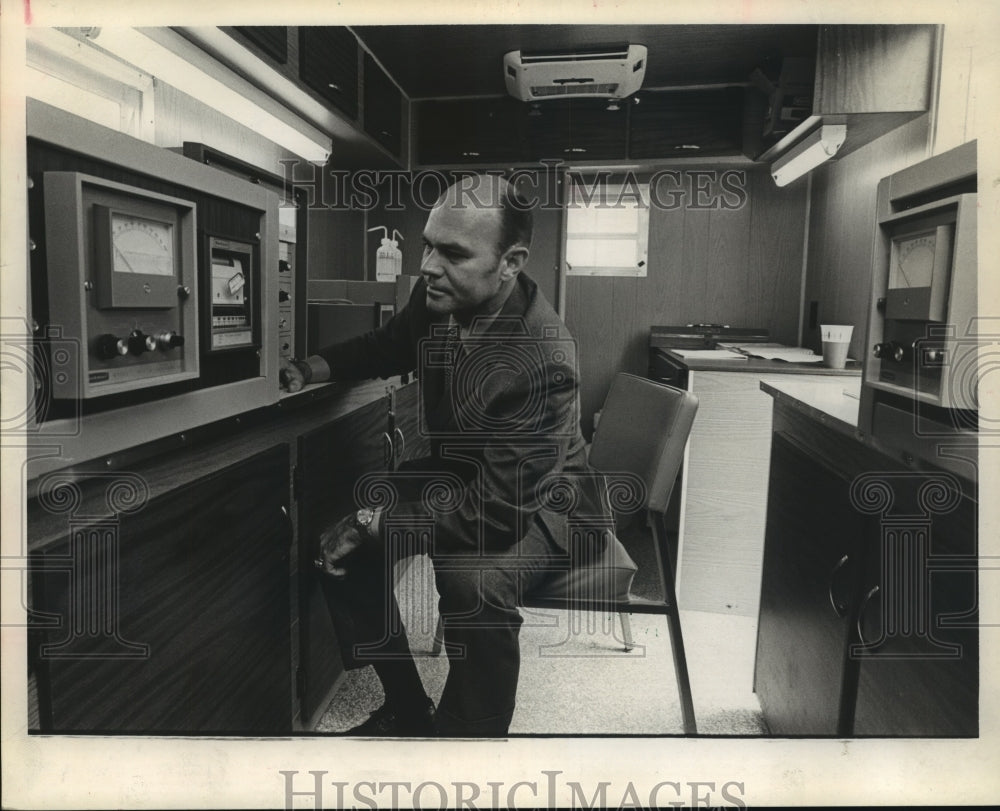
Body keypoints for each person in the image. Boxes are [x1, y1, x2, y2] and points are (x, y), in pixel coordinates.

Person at [280, 174, 610, 737]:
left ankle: (467, 747)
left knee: (472, 582)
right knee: (338, 537)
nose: (428, 266)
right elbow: (388, 345)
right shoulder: (441, 294)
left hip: (546, 501)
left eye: (453, 253)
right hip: (465, 474)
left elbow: (498, 514)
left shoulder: (543, 357)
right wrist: (308, 368)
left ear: (510, 263)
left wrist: (375, 525)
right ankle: (407, 709)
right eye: (427, 245)